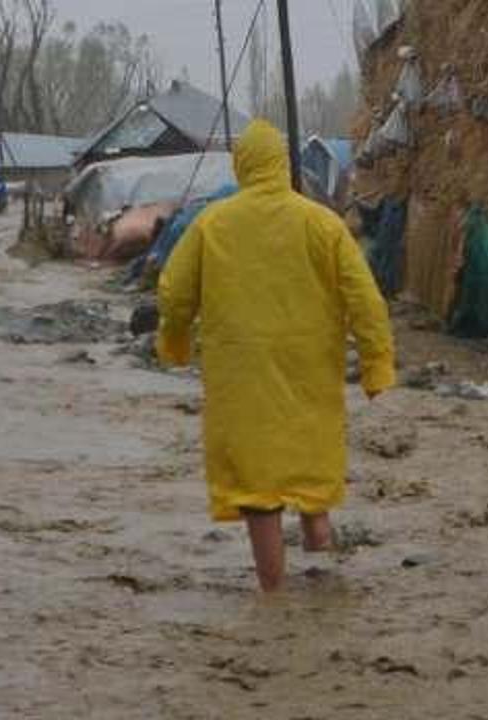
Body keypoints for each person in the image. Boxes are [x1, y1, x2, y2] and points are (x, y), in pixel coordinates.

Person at [157, 120, 395, 593]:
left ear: (242, 165)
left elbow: (174, 292)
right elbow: (365, 298)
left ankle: (273, 596)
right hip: (310, 369)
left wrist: (175, 342)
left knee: (257, 487)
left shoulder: (212, 223)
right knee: (310, 455)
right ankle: (320, 542)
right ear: (283, 165)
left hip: (241, 376)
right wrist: (376, 363)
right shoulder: (323, 224)